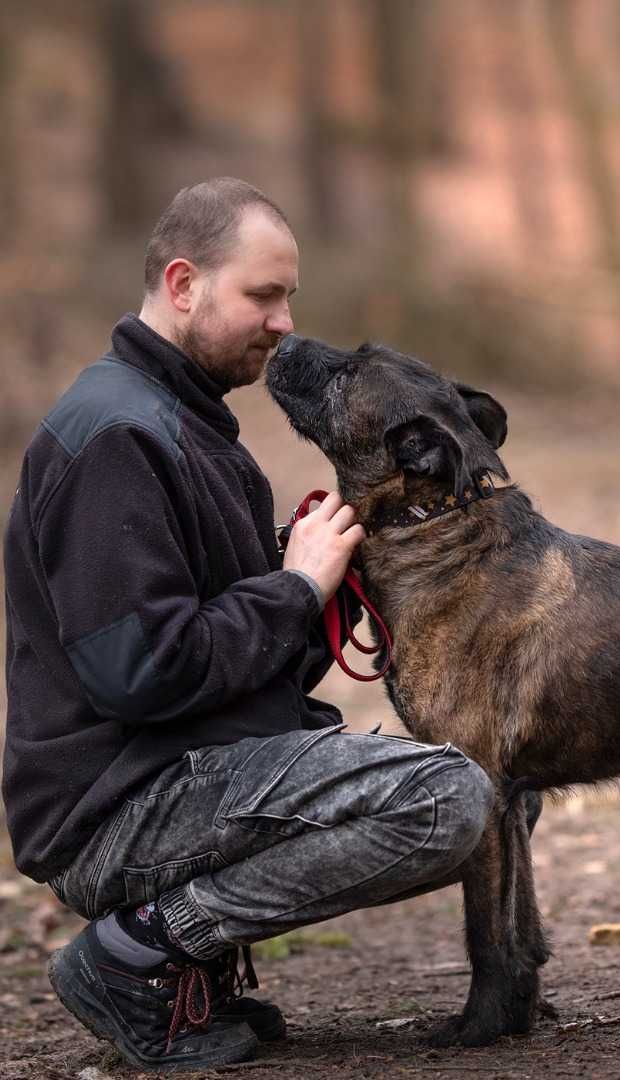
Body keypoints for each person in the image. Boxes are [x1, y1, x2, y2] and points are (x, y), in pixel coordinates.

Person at [1, 178, 498, 1071]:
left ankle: (181, 964)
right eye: (262, 296)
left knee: (485, 780)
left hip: (171, 774)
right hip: (115, 808)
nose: (283, 323)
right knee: (446, 796)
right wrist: (295, 590)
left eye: (289, 297)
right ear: (183, 284)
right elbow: (140, 671)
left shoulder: (188, 424)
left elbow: (238, 661)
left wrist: (339, 582)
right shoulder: (117, 437)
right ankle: (139, 951)